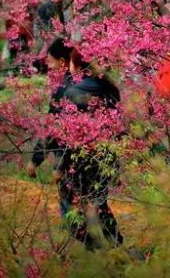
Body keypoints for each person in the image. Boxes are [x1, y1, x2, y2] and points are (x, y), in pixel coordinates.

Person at [27, 38, 123, 250]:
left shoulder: (71, 91)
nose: (48, 67)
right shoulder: (106, 85)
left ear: (65, 61)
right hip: (105, 157)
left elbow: (60, 132)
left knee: (75, 212)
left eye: (50, 62)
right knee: (96, 203)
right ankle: (112, 248)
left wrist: (50, 164)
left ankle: (98, 251)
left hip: (77, 160)